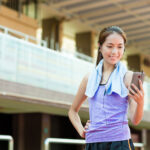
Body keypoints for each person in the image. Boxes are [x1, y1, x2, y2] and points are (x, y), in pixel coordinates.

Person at [68, 26, 144, 150]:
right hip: (93, 143)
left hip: (120, 142)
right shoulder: (89, 78)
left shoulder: (128, 77)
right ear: (100, 46)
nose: (115, 52)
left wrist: (140, 102)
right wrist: (82, 131)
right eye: (110, 46)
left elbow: (135, 120)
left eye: (120, 47)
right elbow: (72, 111)